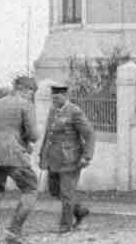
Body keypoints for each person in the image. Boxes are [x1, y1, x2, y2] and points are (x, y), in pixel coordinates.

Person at [0, 76, 40, 244]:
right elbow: (33, 135)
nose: (32, 96)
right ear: (23, 89)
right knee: (31, 188)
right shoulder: (26, 105)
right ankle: (14, 231)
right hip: (13, 154)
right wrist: (23, 140)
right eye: (31, 92)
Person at [40, 82, 96, 233]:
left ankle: (65, 226)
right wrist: (42, 156)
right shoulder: (53, 111)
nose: (54, 100)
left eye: (57, 97)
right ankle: (79, 210)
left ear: (66, 96)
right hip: (54, 159)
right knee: (53, 190)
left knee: (66, 193)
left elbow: (89, 134)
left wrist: (87, 156)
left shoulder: (75, 111)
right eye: (53, 97)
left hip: (70, 159)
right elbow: (48, 135)